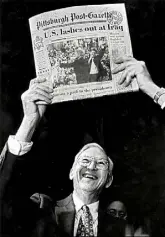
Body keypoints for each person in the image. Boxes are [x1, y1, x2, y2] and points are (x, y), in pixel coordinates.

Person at [1, 56, 165, 237]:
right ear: (71, 172)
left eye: (101, 163)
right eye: (85, 160)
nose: (92, 166)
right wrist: (30, 121)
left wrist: (154, 91)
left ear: (109, 179)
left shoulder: (124, 229)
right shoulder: (42, 214)